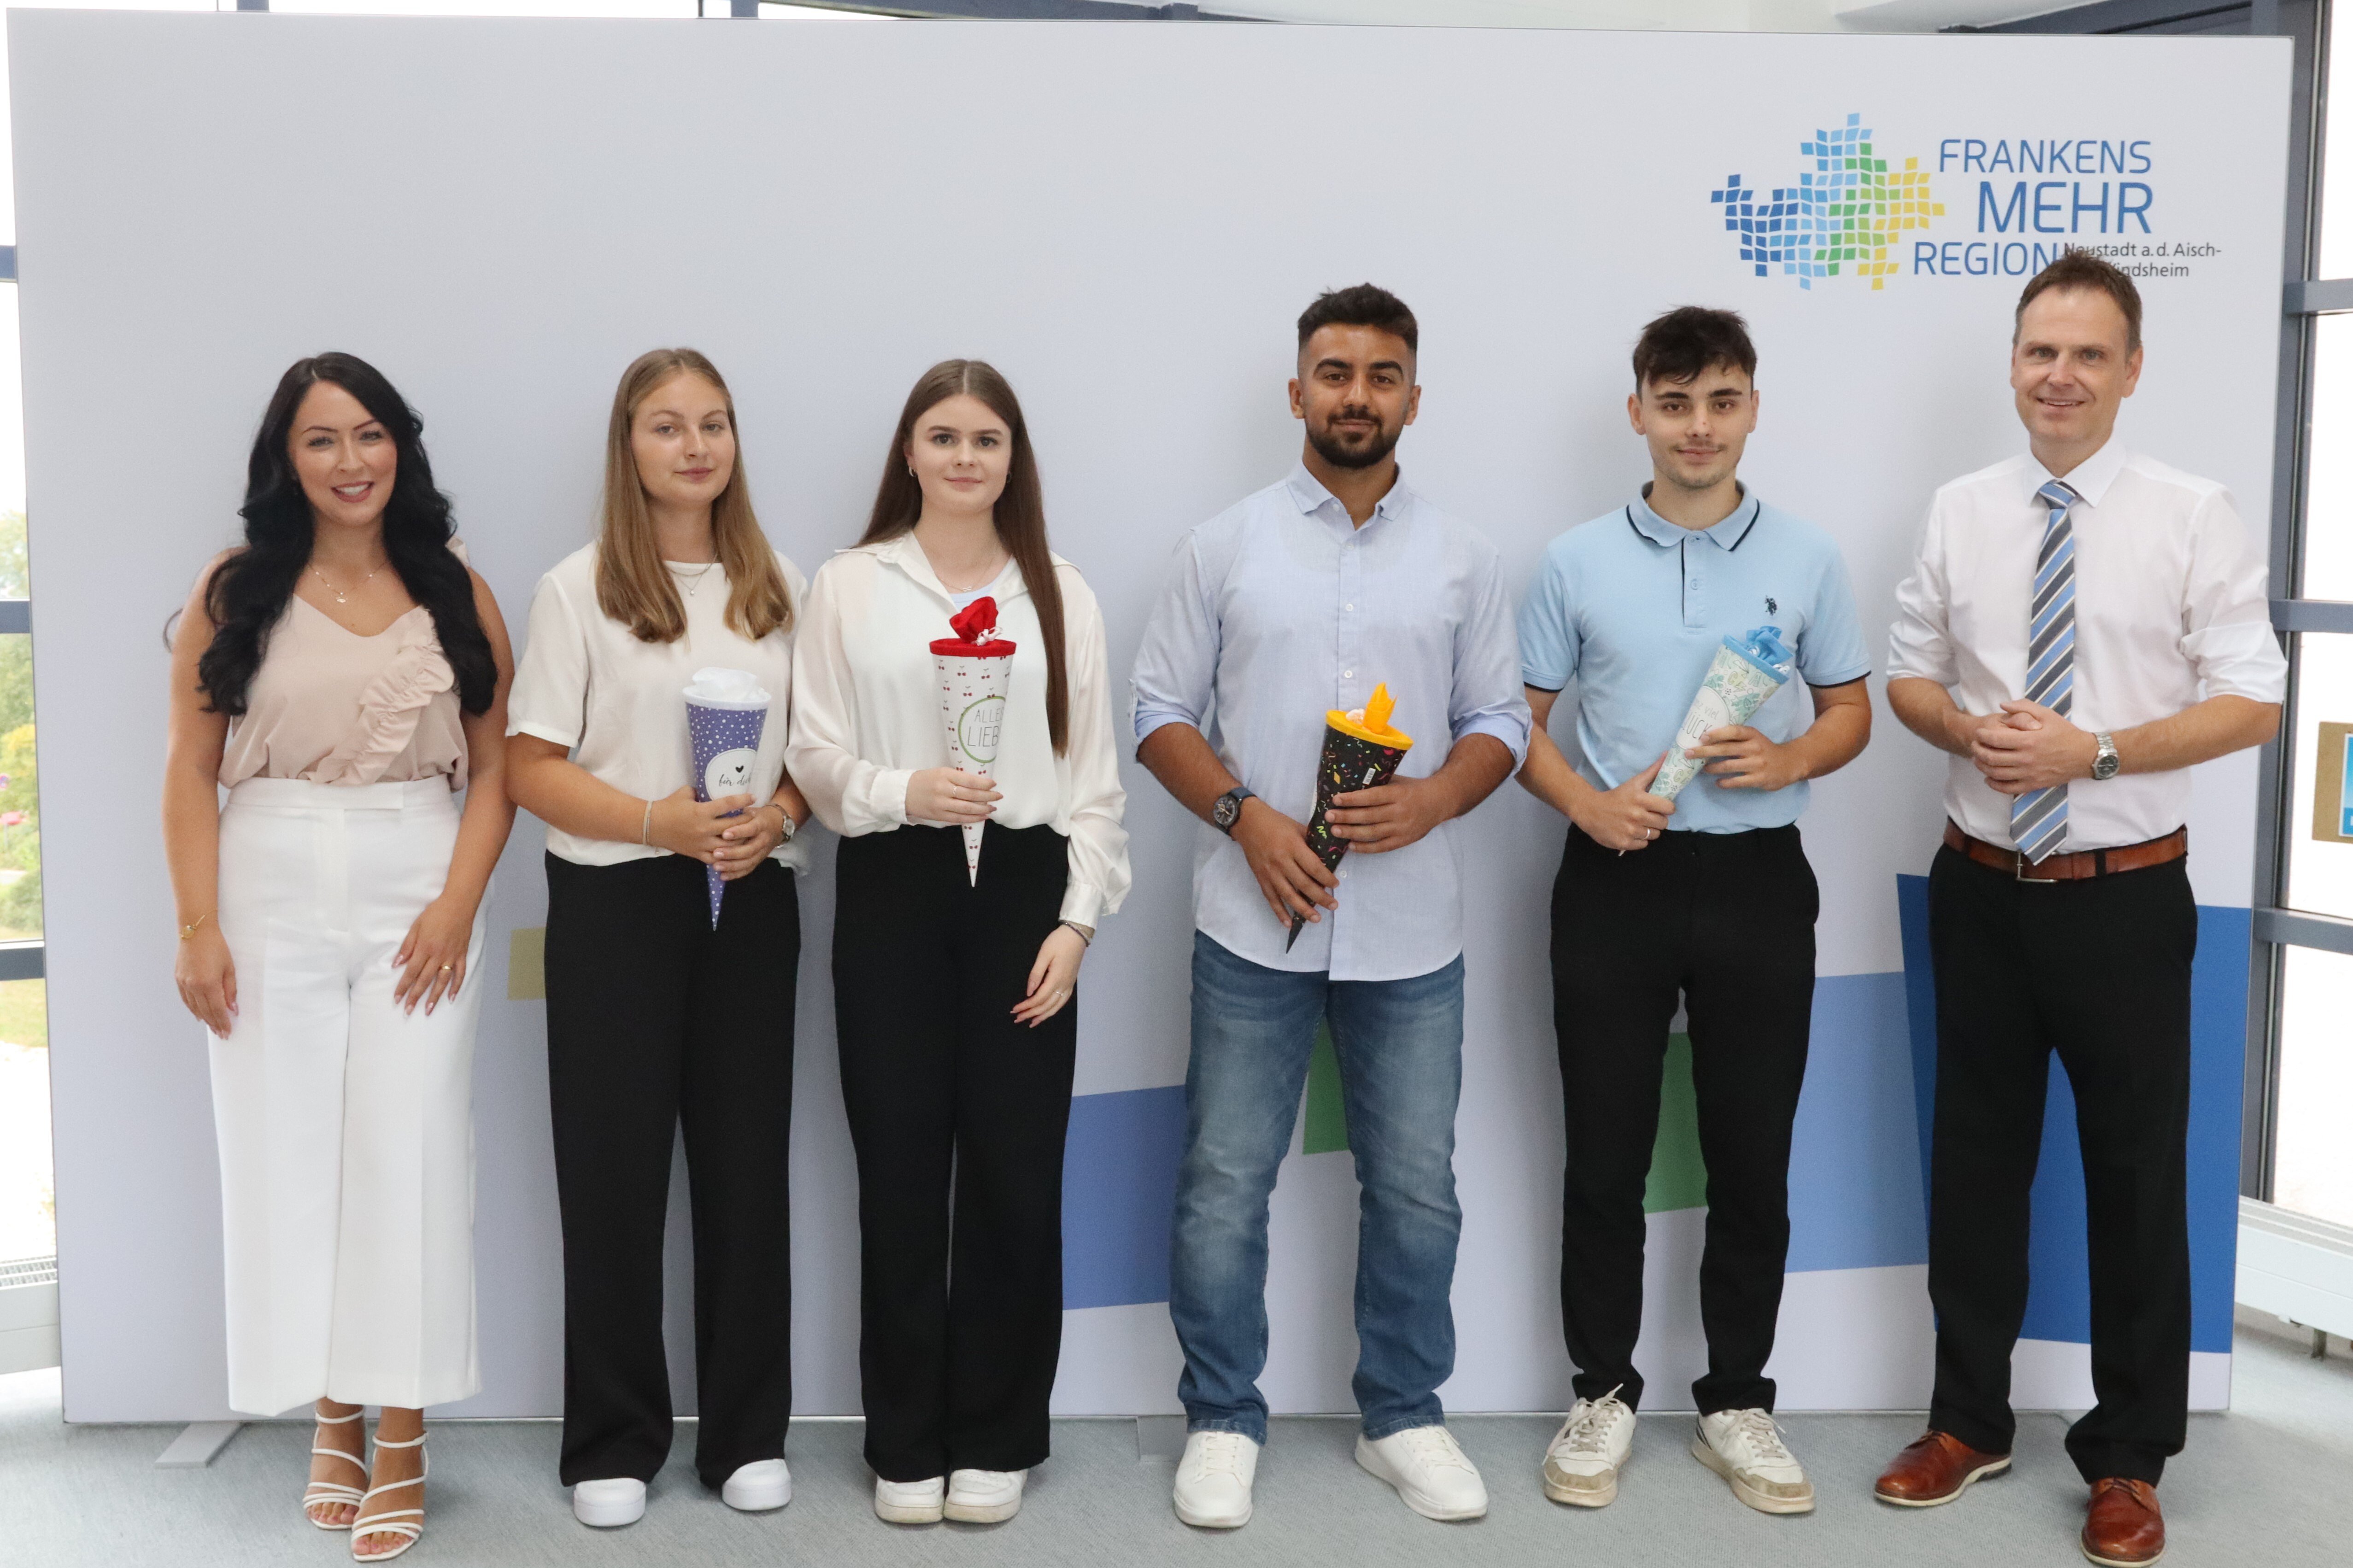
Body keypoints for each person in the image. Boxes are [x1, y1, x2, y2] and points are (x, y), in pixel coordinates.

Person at [1878, 252, 2284, 1567]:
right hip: (1980, 889)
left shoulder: (2190, 513)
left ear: (2130, 369)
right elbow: (1907, 676)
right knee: (1975, 1164)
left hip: (2122, 897)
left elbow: (2253, 699)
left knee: (2134, 1177)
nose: (2059, 375)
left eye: (2088, 354)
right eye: (2040, 351)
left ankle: (2126, 1458)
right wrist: (1966, 729)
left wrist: (2089, 752)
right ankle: (1965, 1421)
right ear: (2012, 364)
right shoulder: (1959, 509)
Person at [1132, 284, 1529, 1529]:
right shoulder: (1223, 545)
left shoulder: (1465, 556)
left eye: (1381, 374)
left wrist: (1436, 799)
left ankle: (1401, 1414)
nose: (1357, 395)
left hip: (1409, 933)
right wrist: (1242, 816)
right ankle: (1220, 1417)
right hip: (1250, 920)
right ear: (1297, 390)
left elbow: (1500, 719)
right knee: (1223, 1180)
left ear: (1413, 395)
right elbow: (1157, 711)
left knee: (1414, 1186)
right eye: (1336, 372)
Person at [1513, 307, 1872, 1516]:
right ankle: (1600, 1391)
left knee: (1751, 1155)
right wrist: (1586, 802)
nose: (1698, 427)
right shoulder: (1571, 561)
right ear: (1638, 415)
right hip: (1613, 877)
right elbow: (1511, 720)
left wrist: (1789, 758)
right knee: (1604, 1154)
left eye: (1721, 401)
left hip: (1757, 878)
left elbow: (1849, 709)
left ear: (1752, 408)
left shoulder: (1808, 556)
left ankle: (1735, 1401)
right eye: (1674, 404)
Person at [162, 352, 516, 1562]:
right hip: (266, 878)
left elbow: (497, 769)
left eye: (369, 434)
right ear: (287, 459)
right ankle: (332, 1414)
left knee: (407, 1152)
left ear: (399, 446)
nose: (351, 460)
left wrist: (458, 905)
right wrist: (198, 926)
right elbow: (188, 768)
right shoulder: (235, 588)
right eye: (322, 439)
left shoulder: (455, 588)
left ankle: (401, 1430)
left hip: (418, 870)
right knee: (289, 1150)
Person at [786, 359, 1129, 1528]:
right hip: (894, 878)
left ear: (1012, 458)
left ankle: (996, 1432)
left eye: (987, 439)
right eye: (943, 436)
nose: (965, 457)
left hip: (1027, 889)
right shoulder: (850, 584)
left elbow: (1095, 784)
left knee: (1014, 1172)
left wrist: (1076, 922)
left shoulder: (1061, 592)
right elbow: (812, 754)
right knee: (896, 1170)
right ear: (909, 452)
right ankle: (903, 1440)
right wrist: (903, 790)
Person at [505, 349, 810, 1530]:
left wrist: (777, 818)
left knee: (746, 1172)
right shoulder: (576, 589)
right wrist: (654, 821)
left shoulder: (780, 587)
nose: (694, 446)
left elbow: (816, 756)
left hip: (752, 899)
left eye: (714, 423)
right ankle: (613, 1439)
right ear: (627, 446)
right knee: (613, 1177)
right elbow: (530, 767)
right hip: (616, 903)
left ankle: (746, 1435)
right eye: (667, 425)